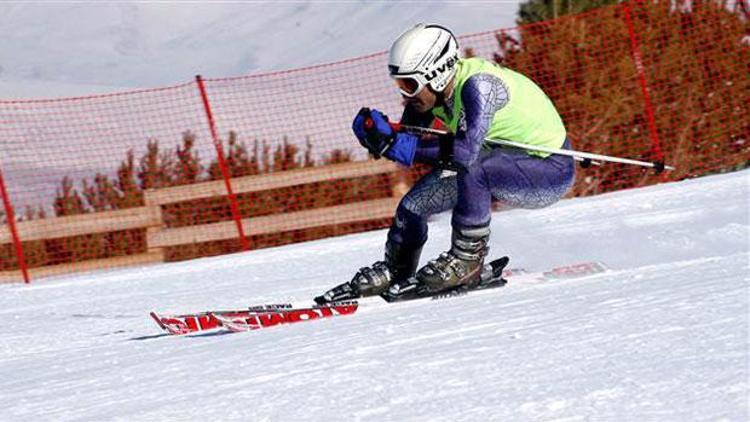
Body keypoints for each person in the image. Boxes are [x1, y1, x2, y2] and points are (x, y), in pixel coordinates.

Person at [315, 23, 575, 303]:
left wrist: (397, 145)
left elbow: (463, 154)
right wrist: (378, 136)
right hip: (498, 164)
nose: (405, 93)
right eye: (399, 84)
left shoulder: (479, 87)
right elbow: (410, 139)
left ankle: (467, 262)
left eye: (409, 84)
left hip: (549, 172)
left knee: (475, 167)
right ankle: (397, 268)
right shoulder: (432, 96)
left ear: (436, 75)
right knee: (413, 206)